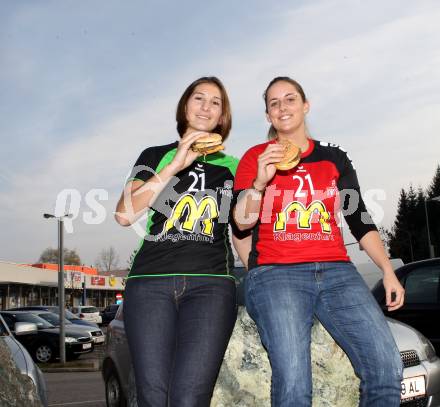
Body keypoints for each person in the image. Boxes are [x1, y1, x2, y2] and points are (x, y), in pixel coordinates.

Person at [232, 76, 405, 406]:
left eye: (290, 99)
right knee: (295, 383)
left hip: (338, 272)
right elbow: (241, 224)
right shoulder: (256, 157)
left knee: (386, 368)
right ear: (268, 116)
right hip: (276, 273)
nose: (283, 107)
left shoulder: (333, 157)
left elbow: (360, 219)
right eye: (274, 103)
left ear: (305, 105)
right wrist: (259, 182)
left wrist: (387, 269)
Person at [115, 76, 248, 407]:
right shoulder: (155, 154)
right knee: (153, 396)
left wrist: (260, 272)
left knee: (190, 397)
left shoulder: (235, 167)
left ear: (222, 116)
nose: (206, 106)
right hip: (149, 285)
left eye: (215, 102)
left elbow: (242, 228)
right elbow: (124, 214)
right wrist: (177, 163)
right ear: (184, 106)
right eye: (198, 98)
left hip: (211, 286)